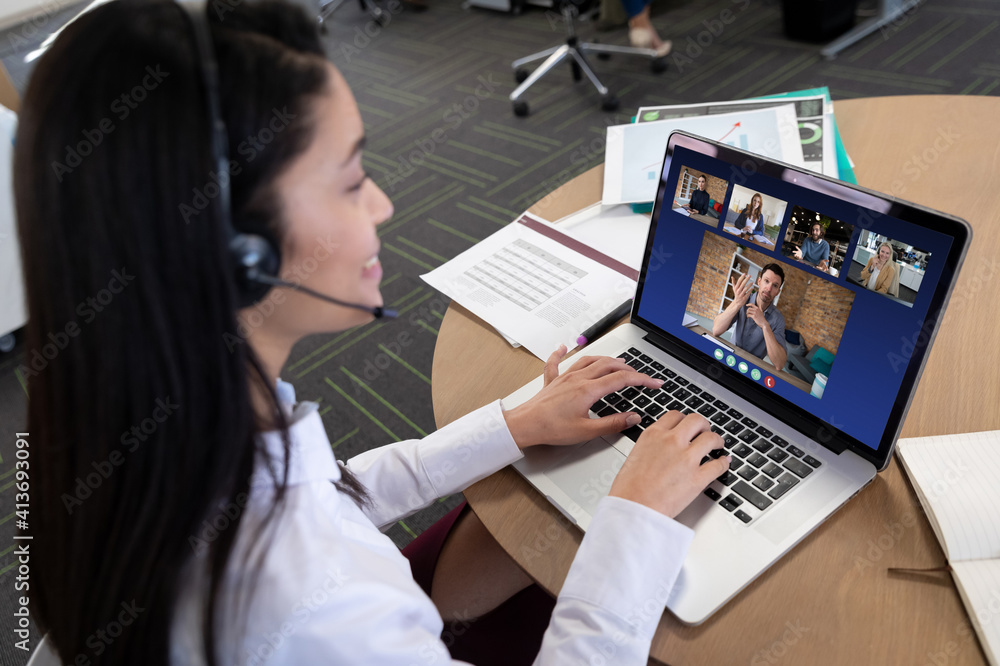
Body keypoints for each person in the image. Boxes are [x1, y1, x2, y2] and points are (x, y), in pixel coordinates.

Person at [14, 1, 730, 664]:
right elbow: (318, 550)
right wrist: (635, 515)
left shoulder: (123, 426)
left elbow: (329, 491)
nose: (384, 206)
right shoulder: (318, 602)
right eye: (353, 180)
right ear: (240, 254)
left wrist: (516, 422)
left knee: (520, 515)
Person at [711, 264, 788, 370]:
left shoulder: (778, 320)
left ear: (778, 292)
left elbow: (779, 364)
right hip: (729, 358)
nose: (769, 288)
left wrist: (765, 325)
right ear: (759, 281)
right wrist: (737, 303)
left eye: (775, 285)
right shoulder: (743, 300)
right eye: (766, 281)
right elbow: (716, 330)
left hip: (751, 369)